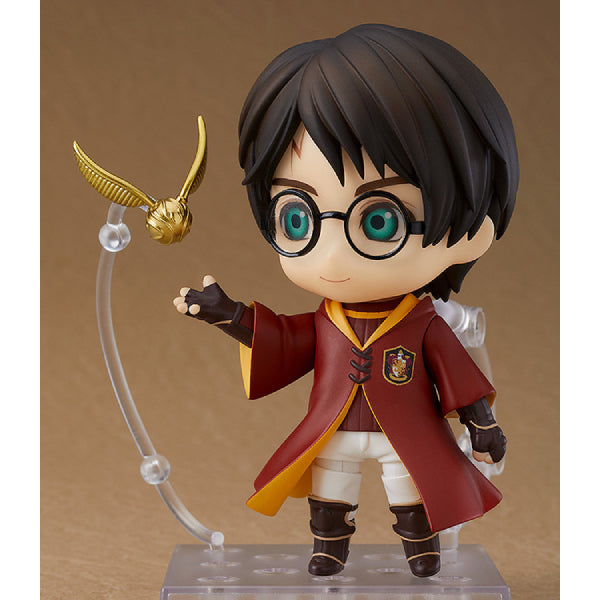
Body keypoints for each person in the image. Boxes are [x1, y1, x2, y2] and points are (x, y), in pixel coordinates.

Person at [173, 24, 518, 578]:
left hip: (407, 431)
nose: (331, 256)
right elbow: (283, 340)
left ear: (470, 233)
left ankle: (421, 548)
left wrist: (482, 423)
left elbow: (458, 376)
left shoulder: (424, 323)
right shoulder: (327, 320)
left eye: (380, 220)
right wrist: (230, 315)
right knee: (330, 489)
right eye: (297, 218)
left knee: (411, 489)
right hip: (333, 426)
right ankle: (329, 546)